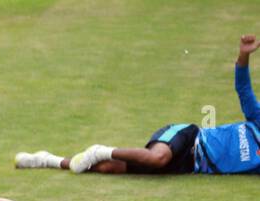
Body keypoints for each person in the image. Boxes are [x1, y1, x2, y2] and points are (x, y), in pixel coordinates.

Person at [15, 35, 260, 176]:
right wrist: (244, 55)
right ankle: (101, 148)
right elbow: (244, 90)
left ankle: (47, 159)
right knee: (157, 158)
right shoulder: (257, 119)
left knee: (106, 169)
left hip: (188, 165)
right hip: (190, 137)